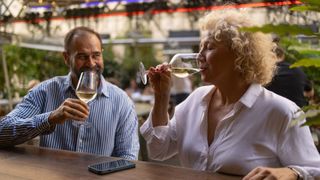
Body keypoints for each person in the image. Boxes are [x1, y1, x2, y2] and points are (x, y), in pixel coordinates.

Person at [140, 11, 320, 179]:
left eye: (209, 47)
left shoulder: (282, 112)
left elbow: (315, 170)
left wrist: (291, 173)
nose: (199, 56)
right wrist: (162, 96)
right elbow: (158, 150)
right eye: (200, 47)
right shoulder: (196, 100)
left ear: (239, 55)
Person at [0, 27, 139, 160]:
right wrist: (50, 118)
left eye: (96, 55)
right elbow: (2, 132)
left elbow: (128, 158)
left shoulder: (122, 101)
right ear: (66, 58)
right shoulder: (45, 91)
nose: (91, 63)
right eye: (82, 56)